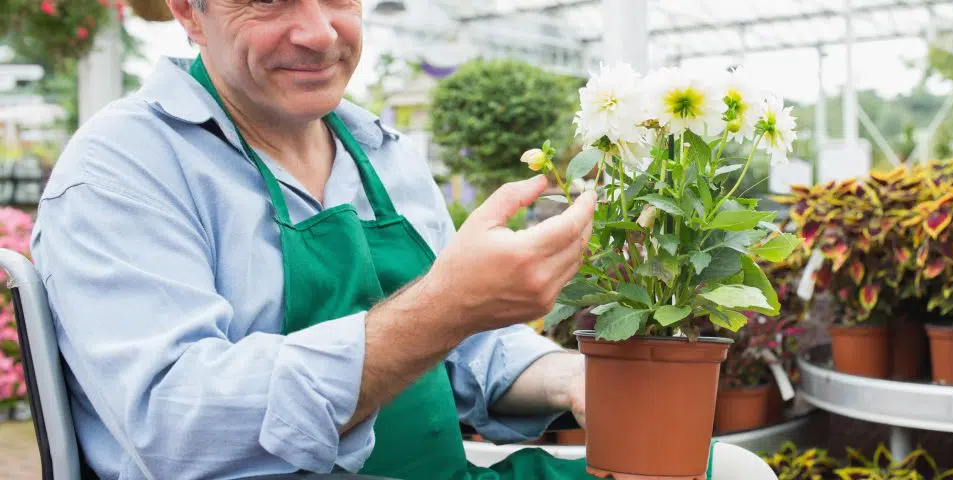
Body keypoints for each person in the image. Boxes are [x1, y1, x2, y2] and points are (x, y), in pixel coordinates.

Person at [29, 0, 608, 478]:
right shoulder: (125, 169)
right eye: (266, 2)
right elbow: (179, 428)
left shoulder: (387, 155)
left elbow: (471, 353)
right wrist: (443, 310)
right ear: (188, 12)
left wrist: (576, 380)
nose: (317, 32)